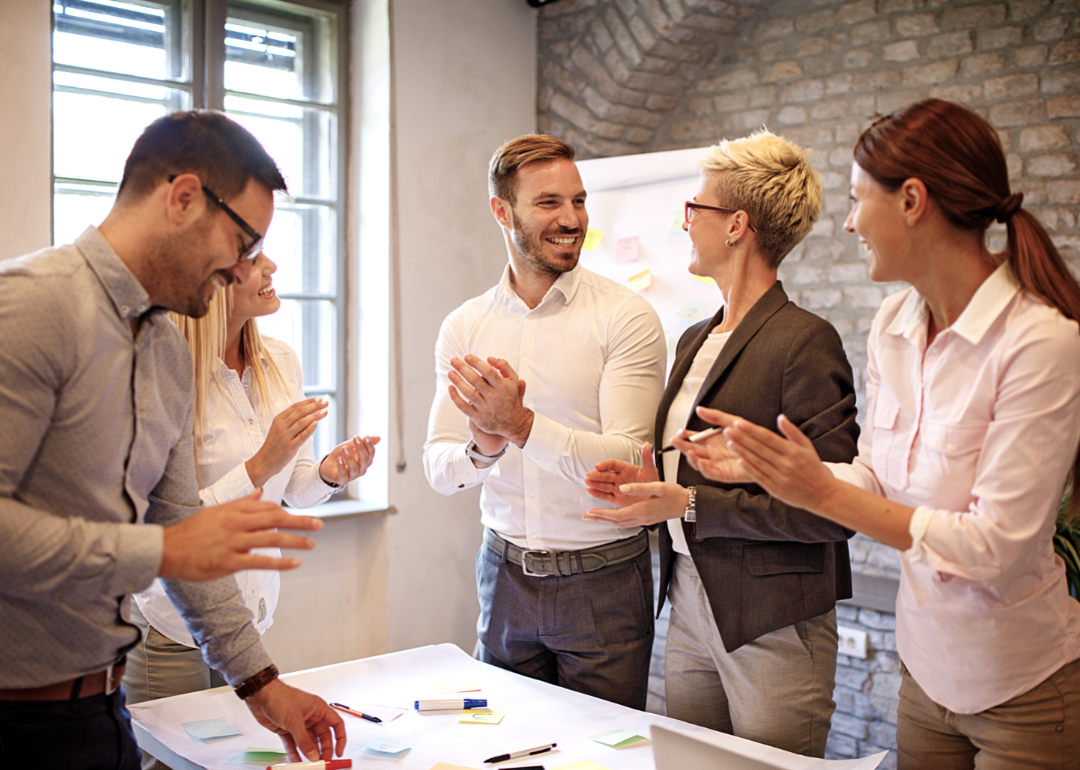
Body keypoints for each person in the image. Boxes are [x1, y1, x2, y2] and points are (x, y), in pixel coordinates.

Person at [678, 98, 1080, 769]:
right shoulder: (894, 321)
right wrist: (766, 467)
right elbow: (870, 475)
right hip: (922, 676)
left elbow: (994, 548)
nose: (847, 221)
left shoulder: (1040, 342)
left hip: (1023, 687)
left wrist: (820, 493)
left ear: (913, 200)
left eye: (860, 198)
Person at [0, 111, 346, 769]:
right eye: (244, 238)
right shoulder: (30, 308)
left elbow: (181, 522)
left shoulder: (162, 347)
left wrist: (261, 684)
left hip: (100, 711)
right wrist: (161, 547)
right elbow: (172, 541)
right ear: (183, 197)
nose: (249, 264)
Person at [584, 129, 858, 756]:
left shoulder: (805, 342)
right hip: (687, 600)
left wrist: (686, 504)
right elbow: (694, 476)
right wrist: (651, 485)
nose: (686, 224)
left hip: (774, 619)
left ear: (736, 225)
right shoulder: (691, 340)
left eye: (695, 209)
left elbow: (830, 508)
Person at [422, 134, 666, 709]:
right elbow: (439, 467)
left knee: (603, 754)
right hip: (503, 577)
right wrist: (483, 448)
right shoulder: (465, 326)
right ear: (501, 211)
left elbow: (631, 458)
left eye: (578, 201)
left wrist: (520, 425)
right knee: (506, 746)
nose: (572, 219)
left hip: (605, 582)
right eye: (550, 203)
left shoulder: (626, 316)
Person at [123, 251, 379, 769]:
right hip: (170, 623)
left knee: (239, 760)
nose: (274, 268)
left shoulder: (280, 361)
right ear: (213, 280)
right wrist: (261, 464)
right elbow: (168, 522)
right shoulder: (167, 373)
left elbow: (294, 487)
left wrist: (330, 472)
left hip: (248, 619)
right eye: (254, 259)